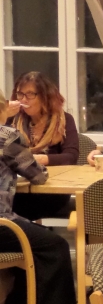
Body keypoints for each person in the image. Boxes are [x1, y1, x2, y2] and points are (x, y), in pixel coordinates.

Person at [0, 90, 79, 304]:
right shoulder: (7, 137)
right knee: (53, 247)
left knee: (34, 237)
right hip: (1, 224)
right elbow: (38, 176)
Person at [7, 72, 79, 220]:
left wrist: (40, 159)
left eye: (30, 94)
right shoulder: (14, 119)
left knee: (16, 207)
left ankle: (29, 238)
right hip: (20, 187)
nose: (23, 99)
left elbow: (71, 157)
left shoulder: (64, 120)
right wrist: (3, 115)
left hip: (52, 188)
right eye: (20, 94)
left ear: (45, 96)